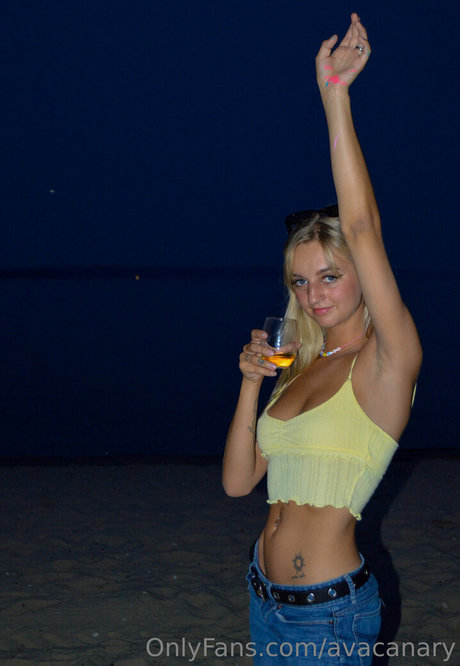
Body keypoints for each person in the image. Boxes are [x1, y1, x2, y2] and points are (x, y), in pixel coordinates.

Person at [222, 12, 422, 666]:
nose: (314, 295)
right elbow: (238, 482)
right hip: (263, 600)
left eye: (331, 276)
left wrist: (334, 96)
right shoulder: (303, 366)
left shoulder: (388, 361)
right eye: (301, 282)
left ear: (363, 274)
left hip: (328, 615)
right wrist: (251, 383)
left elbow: (361, 227)